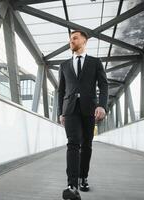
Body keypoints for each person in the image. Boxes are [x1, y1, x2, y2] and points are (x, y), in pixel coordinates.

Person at [58, 30, 108, 200]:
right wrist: (60, 112)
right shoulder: (64, 65)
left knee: (86, 144)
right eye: (70, 39)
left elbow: (103, 85)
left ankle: (83, 177)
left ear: (84, 41)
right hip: (70, 109)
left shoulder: (95, 62)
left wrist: (102, 105)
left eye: (74, 38)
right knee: (72, 144)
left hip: (89, 109)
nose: (71, 41)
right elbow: (61, 91)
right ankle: (71, 184)